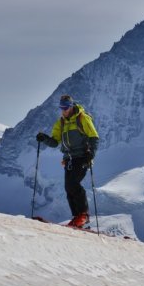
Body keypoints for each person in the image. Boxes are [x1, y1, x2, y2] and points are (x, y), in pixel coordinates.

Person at [36, 95, 99, 227]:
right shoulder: (61, 123)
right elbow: (55, 142)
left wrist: (91, 155)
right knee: (68, 188)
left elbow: (94, 136)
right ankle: (77, 217)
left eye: (66, 107)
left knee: (73, 184)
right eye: (61, 108)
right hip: (68, 159)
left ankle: (84, 215)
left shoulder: (82, 118)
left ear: (71, 106)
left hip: (82, 157)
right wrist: (44, 138)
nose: (63, 110)